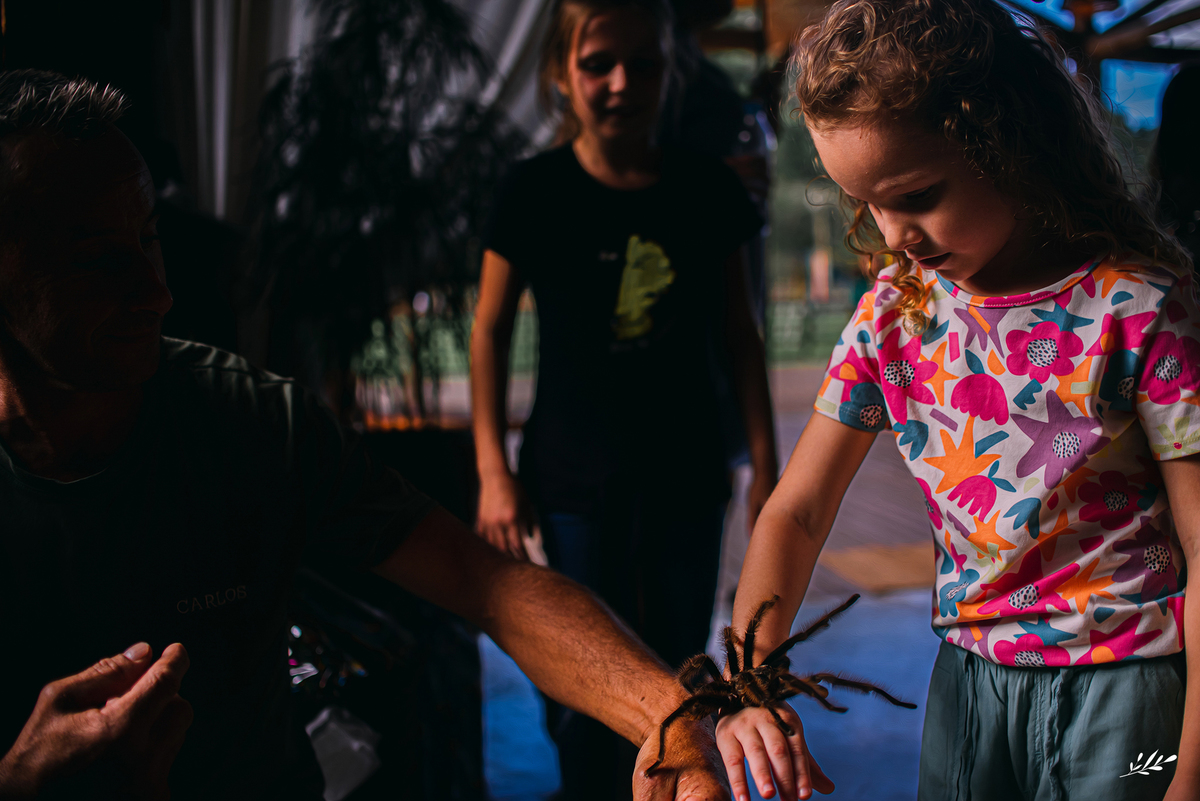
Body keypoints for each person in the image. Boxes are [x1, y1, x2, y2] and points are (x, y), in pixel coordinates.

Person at [0, 69, 731, 801]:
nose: (156, 290)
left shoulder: (249, 420)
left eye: (149, 238)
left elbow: (486, 581)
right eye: (97, 258)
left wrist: (668, 716)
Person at [710, 2, 1200, 801]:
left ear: (1005, 142)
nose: (894, 231)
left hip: (1132, 693)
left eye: (918, 193)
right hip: (967, 689)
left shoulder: (1140, 308)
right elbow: (795, 513)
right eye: (867, 202)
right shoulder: (893, 319)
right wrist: (746, 684)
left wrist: (1189, 773)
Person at [469, 0, 777, 797]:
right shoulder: (531, 190)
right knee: (577, 685)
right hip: (570, 480)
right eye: (598, 63)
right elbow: (489, 330)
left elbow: (741, 336)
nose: (620, 82)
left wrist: (767, 472)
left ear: (668, 72)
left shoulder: (707, 189)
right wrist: (492, 473)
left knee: (677, 673)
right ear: (560, 74)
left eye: (643, 63)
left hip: (687, 470)